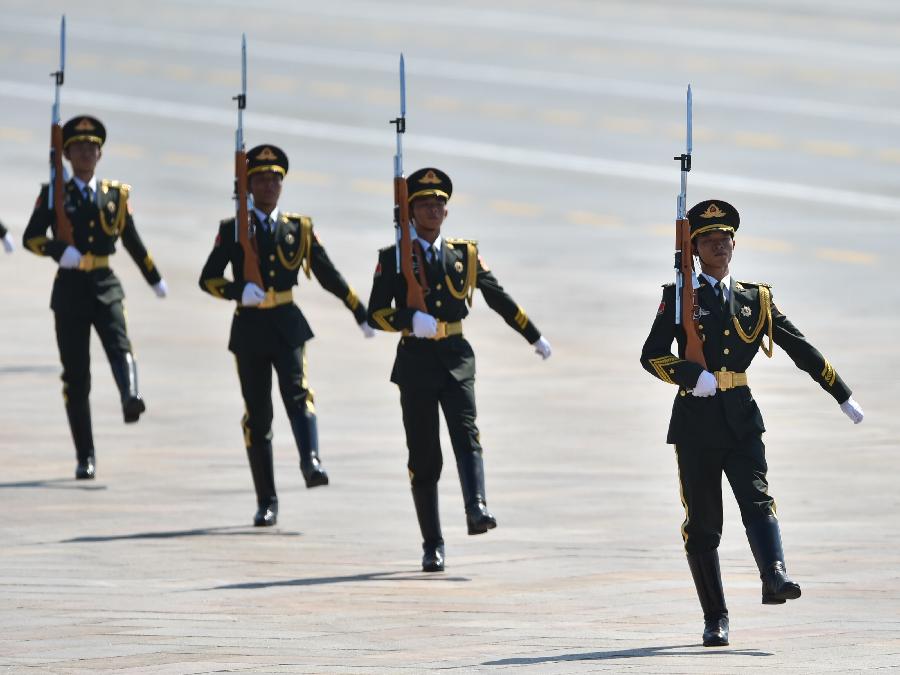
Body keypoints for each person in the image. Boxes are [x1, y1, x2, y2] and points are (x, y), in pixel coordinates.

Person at [640, 199, 865, 647]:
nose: (718, 244)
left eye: (725, 238)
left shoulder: (754, 299)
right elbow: (651, 355)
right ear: (695, 249)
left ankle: (775, 575)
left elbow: (799, 346)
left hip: (741, 418)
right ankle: (715, 617)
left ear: (735, 243)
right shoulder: (679, 295)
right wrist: (690, 375)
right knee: (703, 524)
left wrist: (840, 392)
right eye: (707, 239)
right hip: (696, 424)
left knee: (758, 499)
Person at [367, 167, 552, 572]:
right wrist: (407, 321)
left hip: (455, 358)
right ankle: (432, 543)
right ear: (410, 210)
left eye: (439, 203)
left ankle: (477, 506)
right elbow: (375, 313)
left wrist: (533, 336)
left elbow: (497, 297)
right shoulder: (393, 257)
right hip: (415, 360)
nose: (433, 209)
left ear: (447, 212)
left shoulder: (464, 255)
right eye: (424, 203)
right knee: (424, 455)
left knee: (467, 434)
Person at [199, 144, 374, 527]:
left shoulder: (298, 229)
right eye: (260, 178)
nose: (269, 185)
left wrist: (358, 309)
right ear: (247, 185)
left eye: (275, 178)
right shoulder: (233, 229)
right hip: (249, 326)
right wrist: (236, 291)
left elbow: (327, 273)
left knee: (298, 393)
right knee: (258, 414)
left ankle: (311, 461)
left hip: (287, 321)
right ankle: (267, 500)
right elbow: (207, 279)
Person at [23, 115, 167, 480]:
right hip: (70, 287)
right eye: (79, 147)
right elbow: (31, 237)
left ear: (100, 154)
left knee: (120, 343)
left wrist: (154, 277)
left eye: (92, 147)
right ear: (67, 154)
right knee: (76, 376)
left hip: (104, 282)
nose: (86, 152)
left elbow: (132, 241)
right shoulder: (54, 194)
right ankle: (85, 455)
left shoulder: (115, 197)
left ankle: (130, 396)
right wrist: (58, 250)